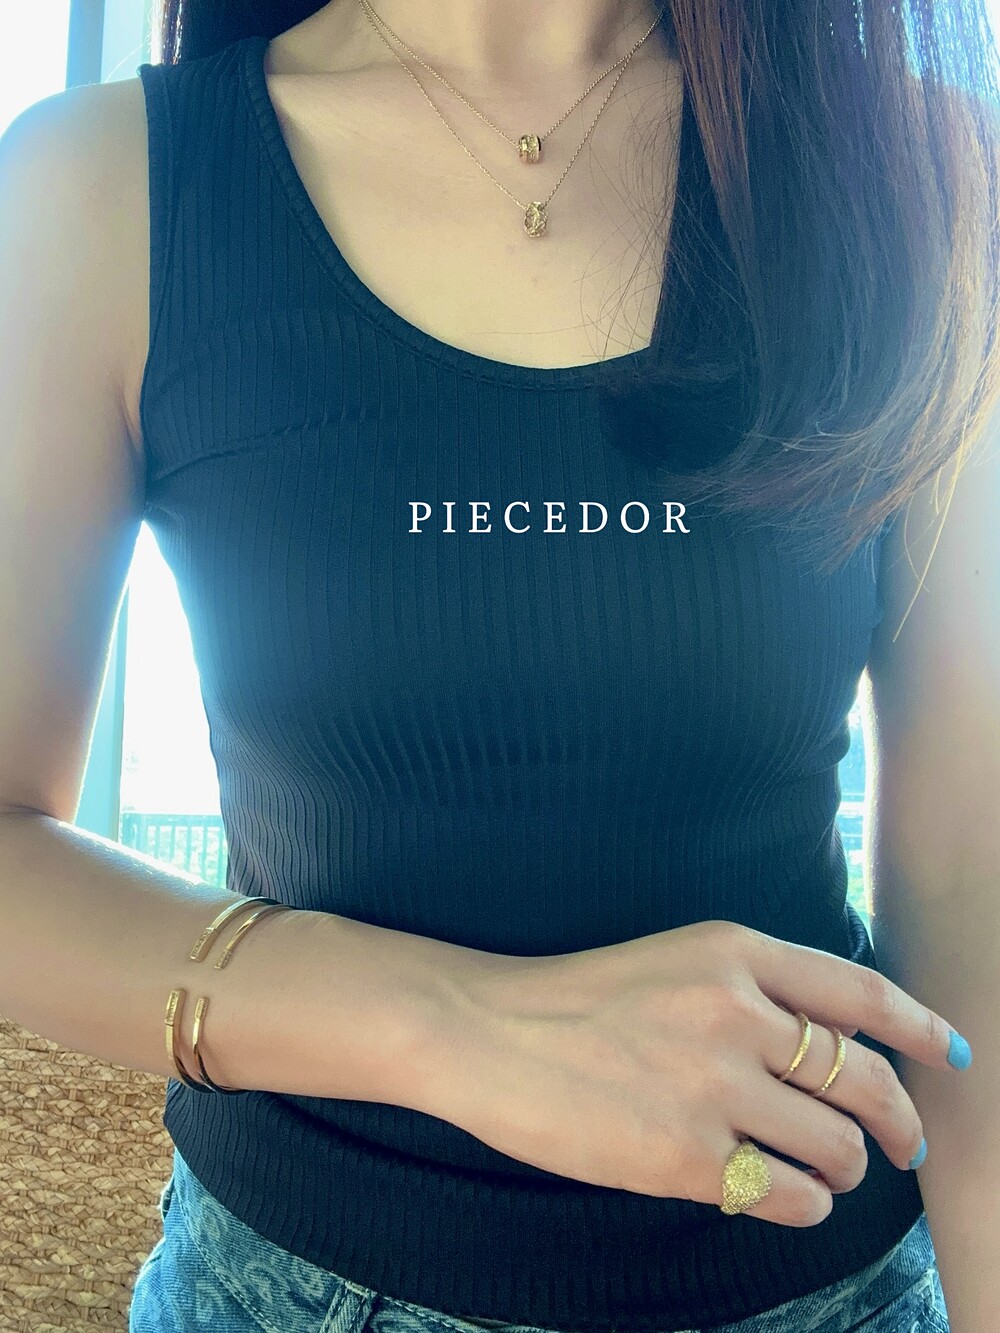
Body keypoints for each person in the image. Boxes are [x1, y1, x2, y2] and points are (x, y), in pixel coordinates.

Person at [0, 0, 997, 1328]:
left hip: (826, 1285)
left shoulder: (920, 169)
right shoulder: (98, 184)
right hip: (296, 1291)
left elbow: (970, 870)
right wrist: (463, 1031)